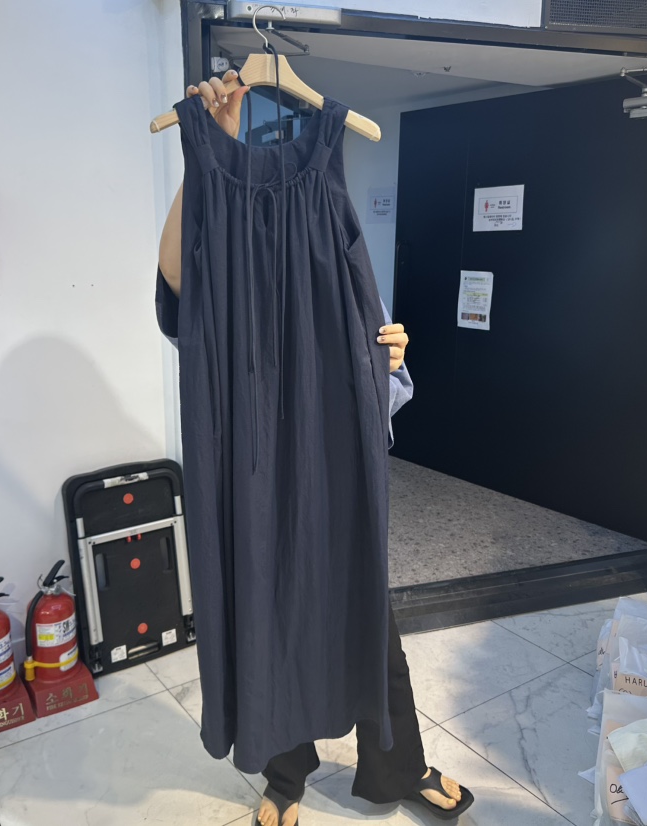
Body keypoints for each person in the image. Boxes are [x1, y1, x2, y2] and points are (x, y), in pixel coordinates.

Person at [157, 74, 473, 826]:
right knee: (264, 604)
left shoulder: (329, 178)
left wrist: (385, 361)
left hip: (332, 451)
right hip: (245, 447)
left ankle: (398, 766)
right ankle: (286, 772)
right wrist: (206, 151)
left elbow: (374, 351)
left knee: (365, 614)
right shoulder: (214, 226)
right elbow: (175, 288)